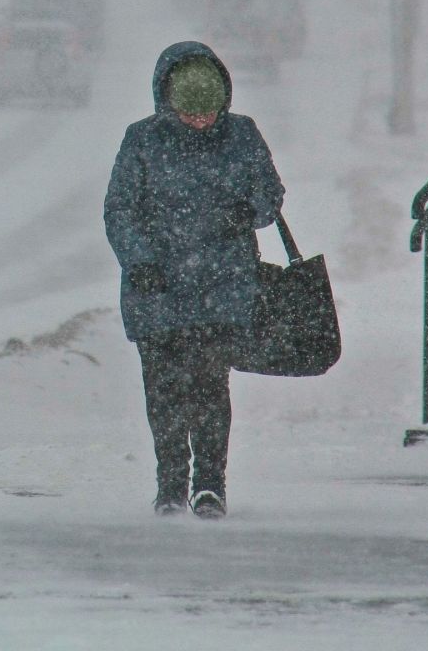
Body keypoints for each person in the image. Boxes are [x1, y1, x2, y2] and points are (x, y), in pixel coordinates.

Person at [103, 41, 284, 519]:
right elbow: (119, 209)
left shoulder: (242, 134)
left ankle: (209, 484)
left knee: (208, 387)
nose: (202, 122)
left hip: (220, 288)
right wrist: (139, 260)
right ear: (169, 103)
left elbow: (270, 192)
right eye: (191, 114)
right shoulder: (141, 140)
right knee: (162, 391)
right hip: (156, 289)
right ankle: (169, 484)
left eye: (209, 113)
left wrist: (250, 210)